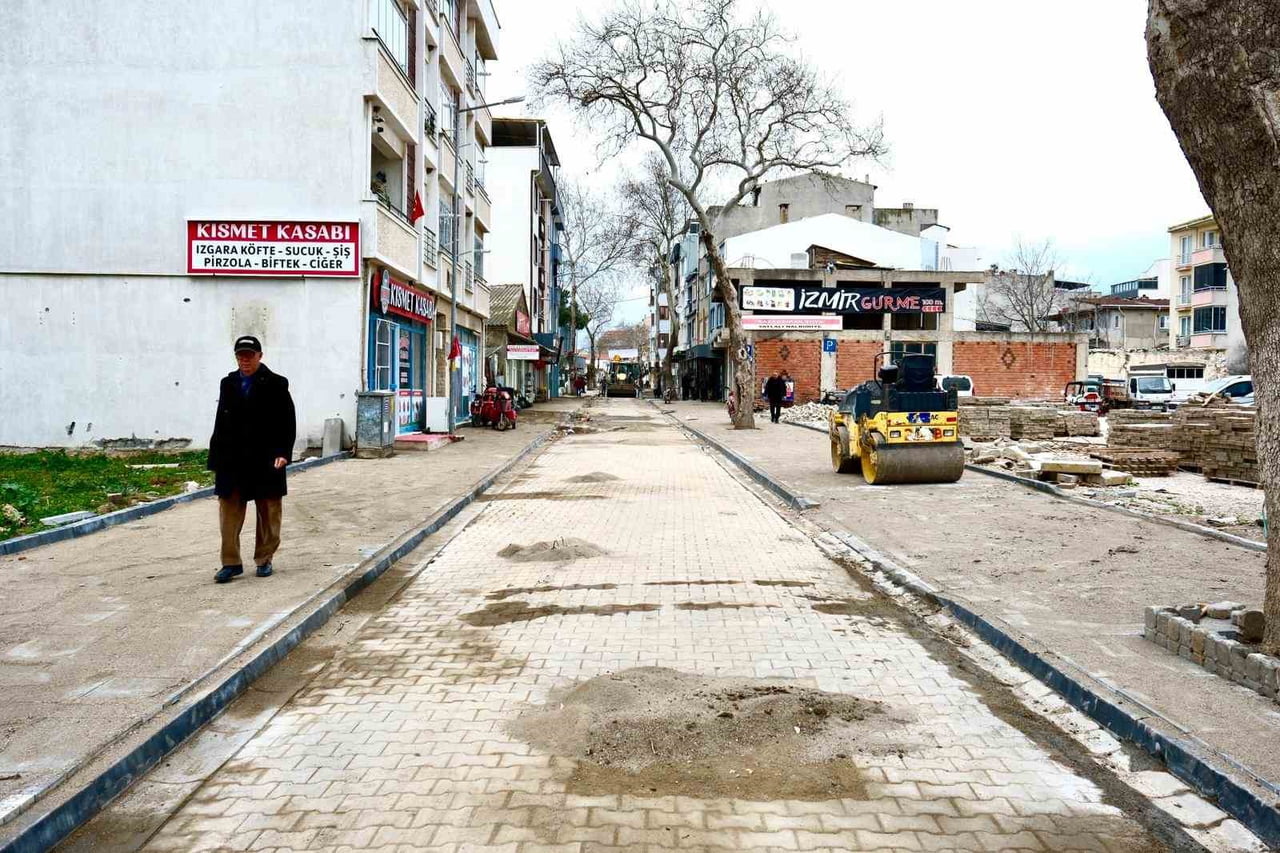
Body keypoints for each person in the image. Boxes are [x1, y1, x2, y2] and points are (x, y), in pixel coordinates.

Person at [208, 336, 296, 584]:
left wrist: (283, 452)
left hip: (266, 457)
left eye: (249, 355)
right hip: (232, 458)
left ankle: (264, 558)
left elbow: (286, 420)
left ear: (260, 355)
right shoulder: (228, 383)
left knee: (269, 511)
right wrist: (216, 459)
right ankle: (231, 563)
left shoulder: (277, 383)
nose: (244, 360)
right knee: (228, 511)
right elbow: (221, 421)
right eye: (240, 356)